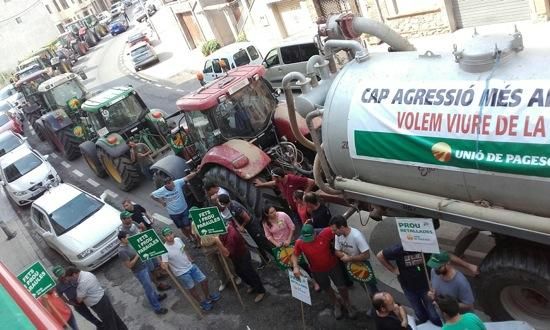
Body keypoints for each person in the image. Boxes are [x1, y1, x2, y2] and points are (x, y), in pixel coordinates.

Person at [291, 224, 358, 320]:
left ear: (315, 233)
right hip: (317, 270)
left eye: (311, 238)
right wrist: (295, 267)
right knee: (327, 288)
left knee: (341, 286)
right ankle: (336, 304)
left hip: (333, 266)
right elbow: (294, 255)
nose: (309, 241)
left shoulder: (325, 232)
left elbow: (340, 231)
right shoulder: (300, 242)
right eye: (307, 239)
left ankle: (347, 303)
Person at [160, 227, 221, 311]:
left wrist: (189, 258)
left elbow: (184, 249)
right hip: (181, 273)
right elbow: (165, 265)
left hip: (190, 266)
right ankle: (202, 303)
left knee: (204, 280)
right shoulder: (164, 250)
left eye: (170, 234)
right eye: (167, 235)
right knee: (192, 288)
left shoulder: (177, 239)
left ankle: (208, 297)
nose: (170, 236)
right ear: (164, 238)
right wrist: (163, 265)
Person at [117, 231, 168, 315]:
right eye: (127, 237)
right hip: (139, 271)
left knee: (150, 286)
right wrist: (137, 255)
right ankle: (157, 308)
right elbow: (129, 265)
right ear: (122, 239)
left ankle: (156, 297)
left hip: (144, 266)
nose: (129, 239)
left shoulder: (128, 244)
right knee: (149, 289)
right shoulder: (122, 251)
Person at [215, 221, 266, 303]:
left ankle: (260, 291)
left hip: (242, 256)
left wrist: (218, 242)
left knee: (250, 273)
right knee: (239, 272)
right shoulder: (226, 228)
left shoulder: (231, 236)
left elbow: (227, 253)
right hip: (236, 256)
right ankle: (252, 285)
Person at [330, 215, 379, 297]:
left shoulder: (357, 236)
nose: (333, 232)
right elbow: (337, 251)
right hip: (353, 266)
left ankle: (378, 304)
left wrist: (349, 258)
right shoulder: (338, 235)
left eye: (334, 230)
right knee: (364, 286)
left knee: (371, 288)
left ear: (342, 227)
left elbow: (366, 255)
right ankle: (373, 301)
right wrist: (344, 256)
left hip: (363, 266)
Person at [219, 194, 272, 269]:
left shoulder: (235, 207)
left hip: (252, 226)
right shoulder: (230, 206)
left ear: (222, 203)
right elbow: (235, 217)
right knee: (256, 245)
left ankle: (278, 257)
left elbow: (247, 218)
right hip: (247, 228)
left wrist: (242, 226)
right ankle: (265, 259)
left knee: (263, 243)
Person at [150, 172, 200, 245]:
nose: (172, 185)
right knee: (182, 228)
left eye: (172, 182)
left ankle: (195, 238)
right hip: (174, 214)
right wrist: (161, 202)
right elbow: (151, 195)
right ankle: (189, 238)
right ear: (166, 185)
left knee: (188, 227)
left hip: (184, 210)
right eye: (170, 184)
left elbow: (187, 177)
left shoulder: (177, 183)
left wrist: (196, 171)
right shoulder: (161, 191)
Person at [191, 221, 241, 292]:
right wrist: (201, 245)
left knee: (227, 262)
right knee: (215, 266)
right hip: (207, 247)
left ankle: (234, 276)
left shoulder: (211, 216)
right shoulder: (193, 223)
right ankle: (223, 280)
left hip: (218, 243)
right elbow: (196, 235)